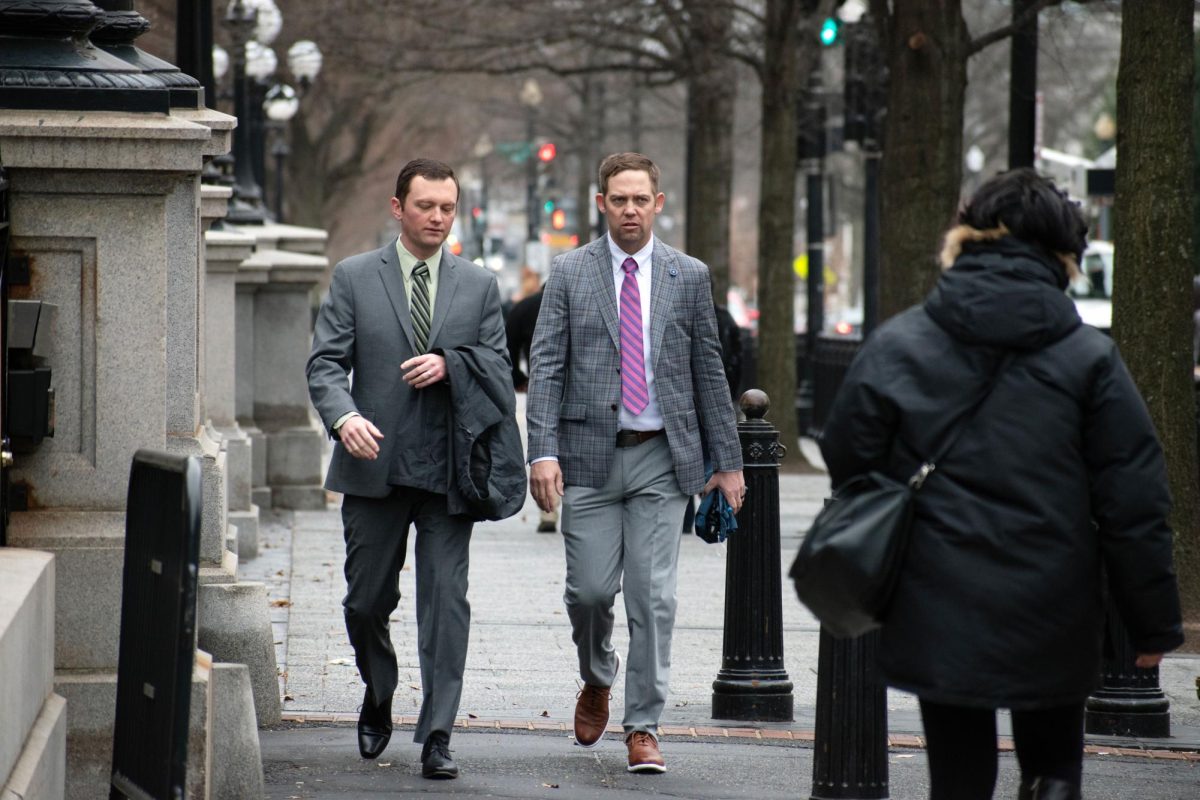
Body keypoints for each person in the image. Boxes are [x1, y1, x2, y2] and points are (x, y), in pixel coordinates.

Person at [819, 168, 1183, 800]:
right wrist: (1151, 623)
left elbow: (848, 451)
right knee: (1054, 768)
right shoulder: (1088, 358)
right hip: (1054, 596)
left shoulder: (902, 343)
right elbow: (1134, 500)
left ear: (966, 237)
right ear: (1063, 255)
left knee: (958, 777)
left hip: (937, 590)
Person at [525, 152, 745, 774]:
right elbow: (546, 366)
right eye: (618, 199)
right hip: (589, 458)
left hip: (661, 460)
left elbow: (709, 367)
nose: (629, 209)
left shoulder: (688, 275)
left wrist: (727, 463)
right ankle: (597, 677)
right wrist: (541, 451)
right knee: (590, 592)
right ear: (602, 204)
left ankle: (643, 725)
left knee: (653, 600)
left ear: (658, 202)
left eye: (640, 199)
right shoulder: (569, 272)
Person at [307, 158, 521, 781]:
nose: (437, 218)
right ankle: (379, 691)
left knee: (446, 601)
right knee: (365, 600)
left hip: (450, 469)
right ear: (398, 207)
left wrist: (452, 364)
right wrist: (344, 418)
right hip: (373, 463)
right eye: (426, 206)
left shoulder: (478, 285)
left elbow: (501, 375)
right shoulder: (353, 277)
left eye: (447, 208)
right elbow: (325, 364)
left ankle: (437, 733)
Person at [505, 279, 559, 534]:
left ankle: (549, 510)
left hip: (540, 383)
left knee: (546, 443)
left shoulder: (525, 307)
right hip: (582, 386)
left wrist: (518, 378)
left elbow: (509, 346)